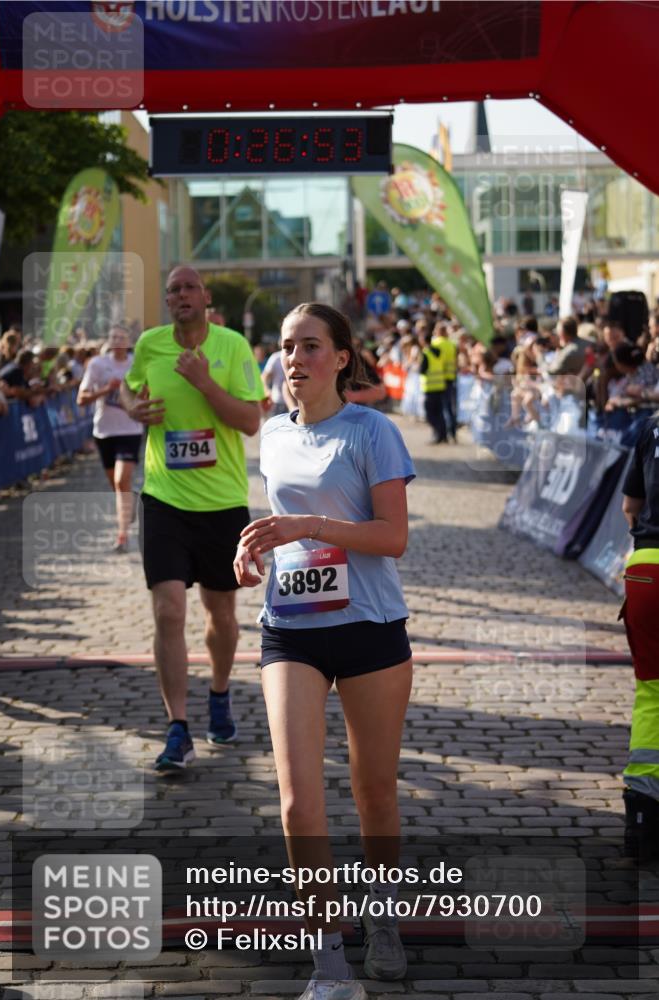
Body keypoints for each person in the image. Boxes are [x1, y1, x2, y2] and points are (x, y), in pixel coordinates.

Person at [234, 303, 415, 999]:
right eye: (286, 346)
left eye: (310, 346)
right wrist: (249, 554)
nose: (295, 358)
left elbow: (392, 537)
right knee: (296, 805)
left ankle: (386, 919)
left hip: (369, 628)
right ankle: (328, 962)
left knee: (373, 794)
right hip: (289, 628)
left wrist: (309, 522)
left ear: (341, 358)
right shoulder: (273, 433)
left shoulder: (372, 429)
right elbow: (282, 533)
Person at [120, 266, 265, 772]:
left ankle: (220, 694)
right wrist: (133, 407)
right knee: (168, 612)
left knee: (221, 617)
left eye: (188, 288)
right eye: (172, 290)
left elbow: (251, 421)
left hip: (222, 502)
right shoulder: (150, 345)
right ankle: (177, 727)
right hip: (164, 497)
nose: (180, 296)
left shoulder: (231, 347)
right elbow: (128, 389)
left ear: (205, 297)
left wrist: (204, 383)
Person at [620, 412, 659, 863]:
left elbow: (632, 504)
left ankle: (643, 819)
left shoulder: (652, 425)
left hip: (646, 566)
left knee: (652, 691)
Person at [77, 326, 144, 553]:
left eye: (121, 337)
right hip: (104, 431)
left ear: (128, 342)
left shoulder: (137, 364)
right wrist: (106, 389)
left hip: (130, 430)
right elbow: (81, 399)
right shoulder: (97, 365)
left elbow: (150, 391)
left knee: (120, 479)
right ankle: (129, 502)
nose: (117, 341)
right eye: (113, 337)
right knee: (118, 486)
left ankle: (122, 535)